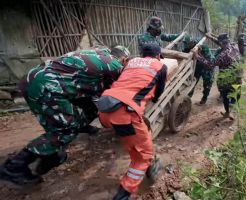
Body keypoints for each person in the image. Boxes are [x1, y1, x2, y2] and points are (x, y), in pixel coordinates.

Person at [0, 46, 130, 187]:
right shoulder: (114, 64)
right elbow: (121, 91)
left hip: (34, 79)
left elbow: (93, 90)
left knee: (87, 109)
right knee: (65, 130)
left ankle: (50, 155)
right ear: (124, 59)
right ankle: (14, 166)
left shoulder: (98, 52)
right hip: (49, 86)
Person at [98, 43, 167, 200]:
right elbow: (159, 92)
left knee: (140, 141)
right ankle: (123, 195)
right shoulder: (160, 66)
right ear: (157, 56)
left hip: (104, 109)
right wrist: (152, 99)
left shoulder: (131, 62)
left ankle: (149, 169)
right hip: (124, 113)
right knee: (142, 156)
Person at [194, 33, 242, 119]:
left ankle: (228, 112)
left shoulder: (222, 55)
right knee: (236, 93)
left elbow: (210, 65)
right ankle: (233, 110)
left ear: (221, 43)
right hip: (237, 76)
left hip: (226, 79)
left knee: (225, 95)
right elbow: (219, 42)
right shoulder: (235, 47)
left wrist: (198, 57)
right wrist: (210, 37)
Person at [183, 36, 215, 104]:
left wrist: (198, 56)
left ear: (193, 42)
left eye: (188, 44)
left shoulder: (204, 47)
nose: (187, 46)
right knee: (191, 84)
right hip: (197, 67)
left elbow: (210, 62)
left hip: (207, 69)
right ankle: (187, 100)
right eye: (186, 44)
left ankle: (204, 99)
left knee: (207, 85)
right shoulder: (187, 48)